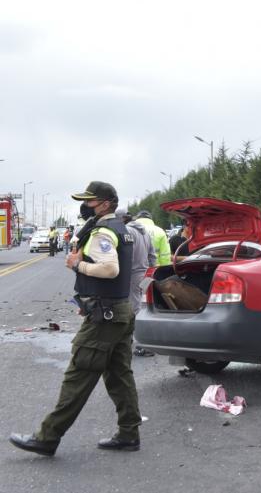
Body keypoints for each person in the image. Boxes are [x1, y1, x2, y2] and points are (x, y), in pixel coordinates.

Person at [9, 181, 142, 456]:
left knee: (78, 375)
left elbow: (109, 269)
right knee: (119, 376)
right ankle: (129, 434)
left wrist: (76, 264)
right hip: (119, 311)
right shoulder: (122, 229)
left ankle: (47, 437)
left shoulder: (103, 232)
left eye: (90, 201)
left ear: (105, 204)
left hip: (104, 317)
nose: (86, 206)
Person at [116, 209, 157, 314]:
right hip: (145, 273)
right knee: (141, 303)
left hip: (133, 273)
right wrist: (152, 272)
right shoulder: (145, 232)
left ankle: (135, 329)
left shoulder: (127, 230)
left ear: (123, 219)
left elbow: (128, 254)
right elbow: (152, 255)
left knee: (134, 306)